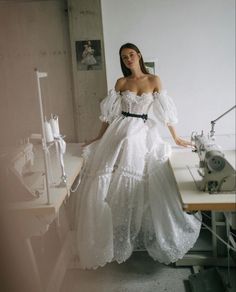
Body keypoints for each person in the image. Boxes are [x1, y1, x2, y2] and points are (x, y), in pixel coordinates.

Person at [74, 42, 201, 269]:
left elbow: (165, 114)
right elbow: (109, 116)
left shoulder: (154, 80)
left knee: (142, 154)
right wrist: (97, 138)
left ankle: (141, 228)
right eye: (124, 57)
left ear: (139, 55)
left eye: (131, 55)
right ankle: (111, 233)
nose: (128, 59)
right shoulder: (121, 82)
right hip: (122, 127)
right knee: (124, 143)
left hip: (143, 128)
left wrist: (177, 138)